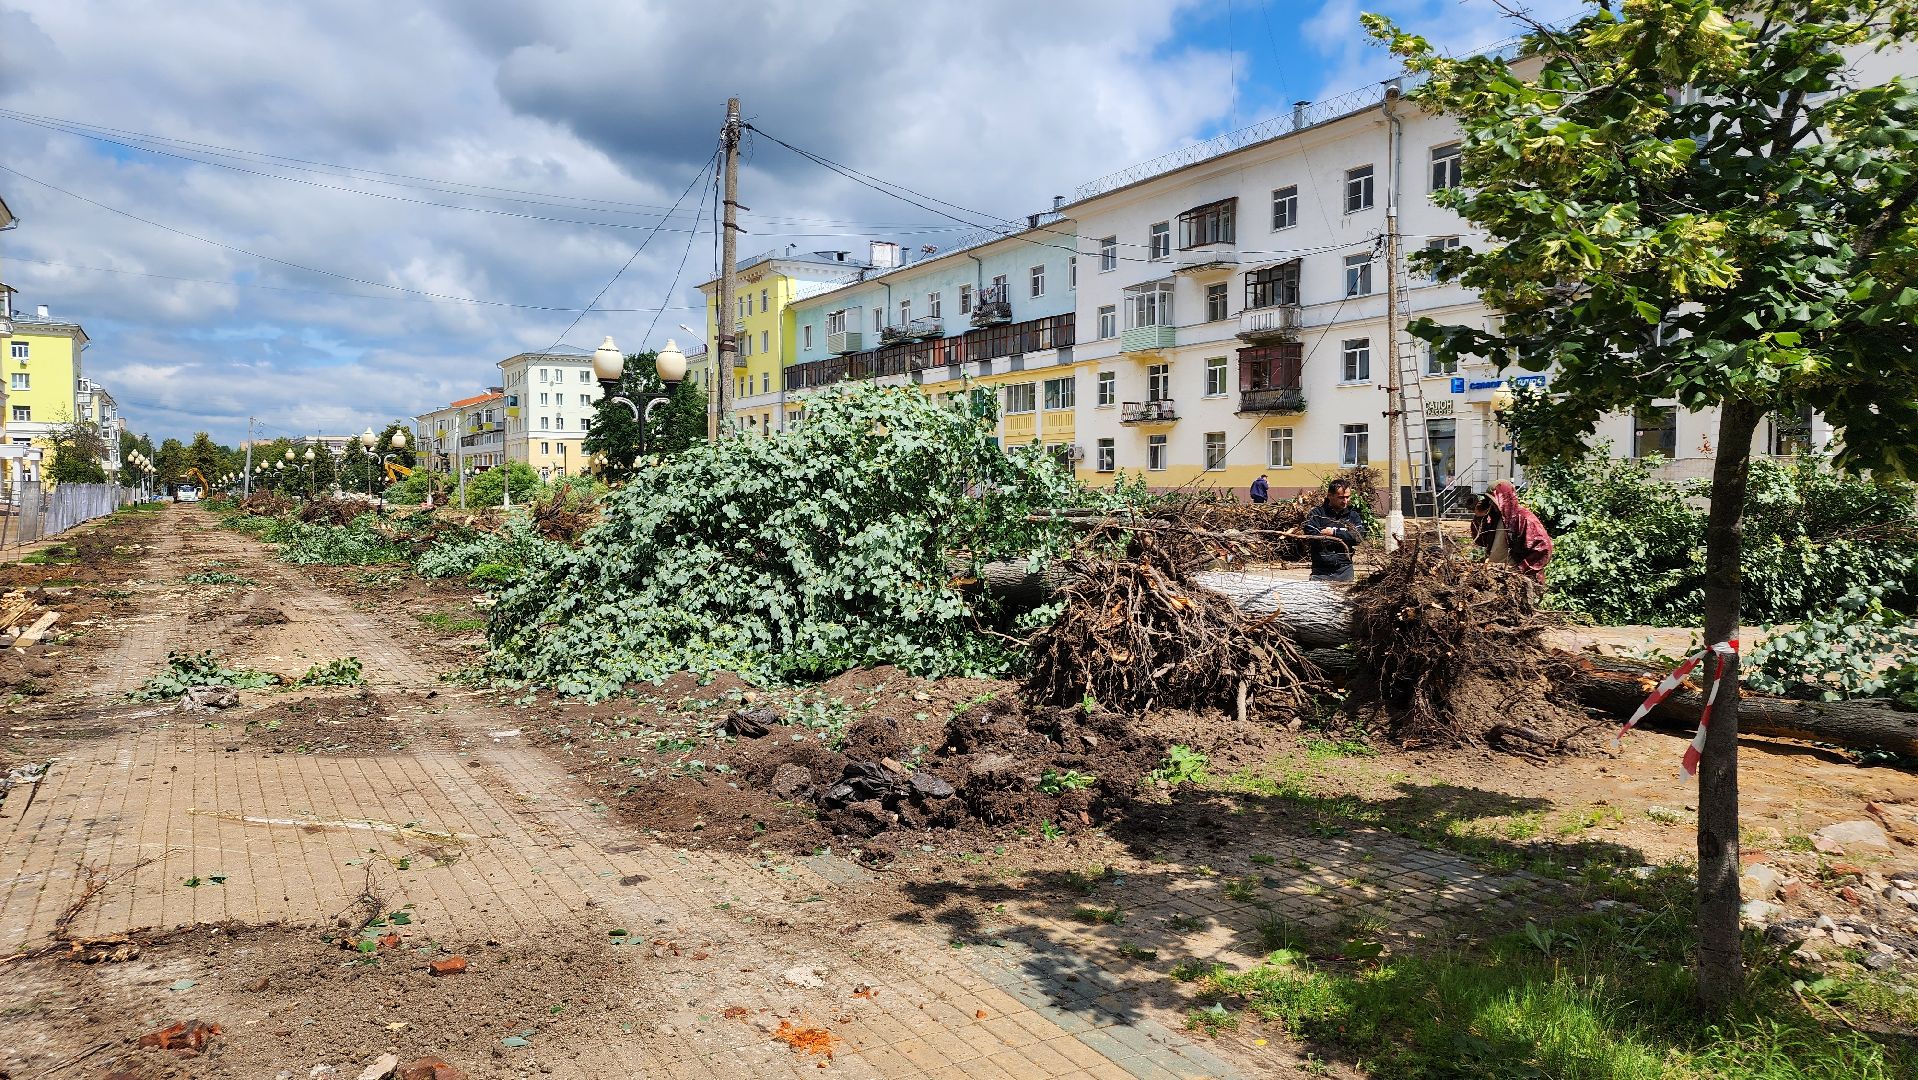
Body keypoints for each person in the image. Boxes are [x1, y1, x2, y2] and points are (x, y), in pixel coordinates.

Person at [1471, 480, 1553, 583]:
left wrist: (1519, 569)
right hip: (1497, 577)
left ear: (1504, 499)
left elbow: (1544, 548)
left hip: (1519, 581)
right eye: (1489, 500)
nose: (1491, 503)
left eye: (1493, 500)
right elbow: (1480, 541)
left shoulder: (1524, 518)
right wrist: (1479, 518)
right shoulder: (1494, 518)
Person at [1304, 479, 1366, 581]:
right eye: (1341, 497)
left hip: (1345, 571)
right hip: (1321, 572)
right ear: (1330, 496)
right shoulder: (1316, 514)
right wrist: (1346, 536)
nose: (1345, 501)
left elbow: (1358, 536)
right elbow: (1312, 538)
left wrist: (1334, 533)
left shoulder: (1353, 516)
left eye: (1347, 497)